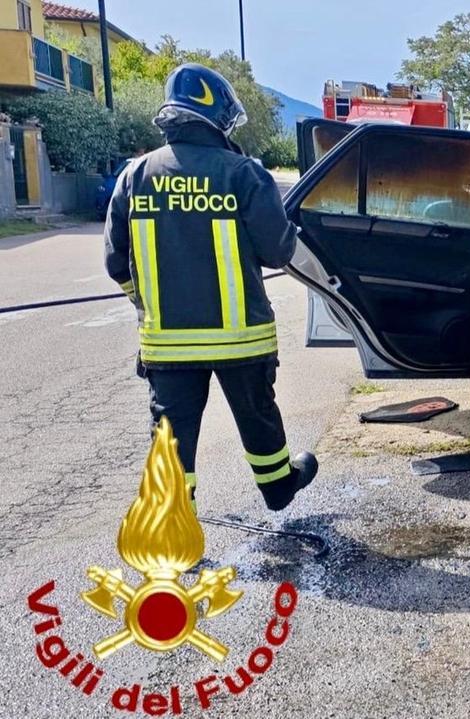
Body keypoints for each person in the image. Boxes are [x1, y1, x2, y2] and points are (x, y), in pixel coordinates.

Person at [104, 63, 317, 510]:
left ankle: (174, 526)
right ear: (219, 117)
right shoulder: (243, 174)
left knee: (172, 436)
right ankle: (278, 486)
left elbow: (114, 262)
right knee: (257, 416)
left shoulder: (134, 177)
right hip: (241, 339)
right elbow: (279, 251)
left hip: (169, 346)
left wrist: (147, 307)